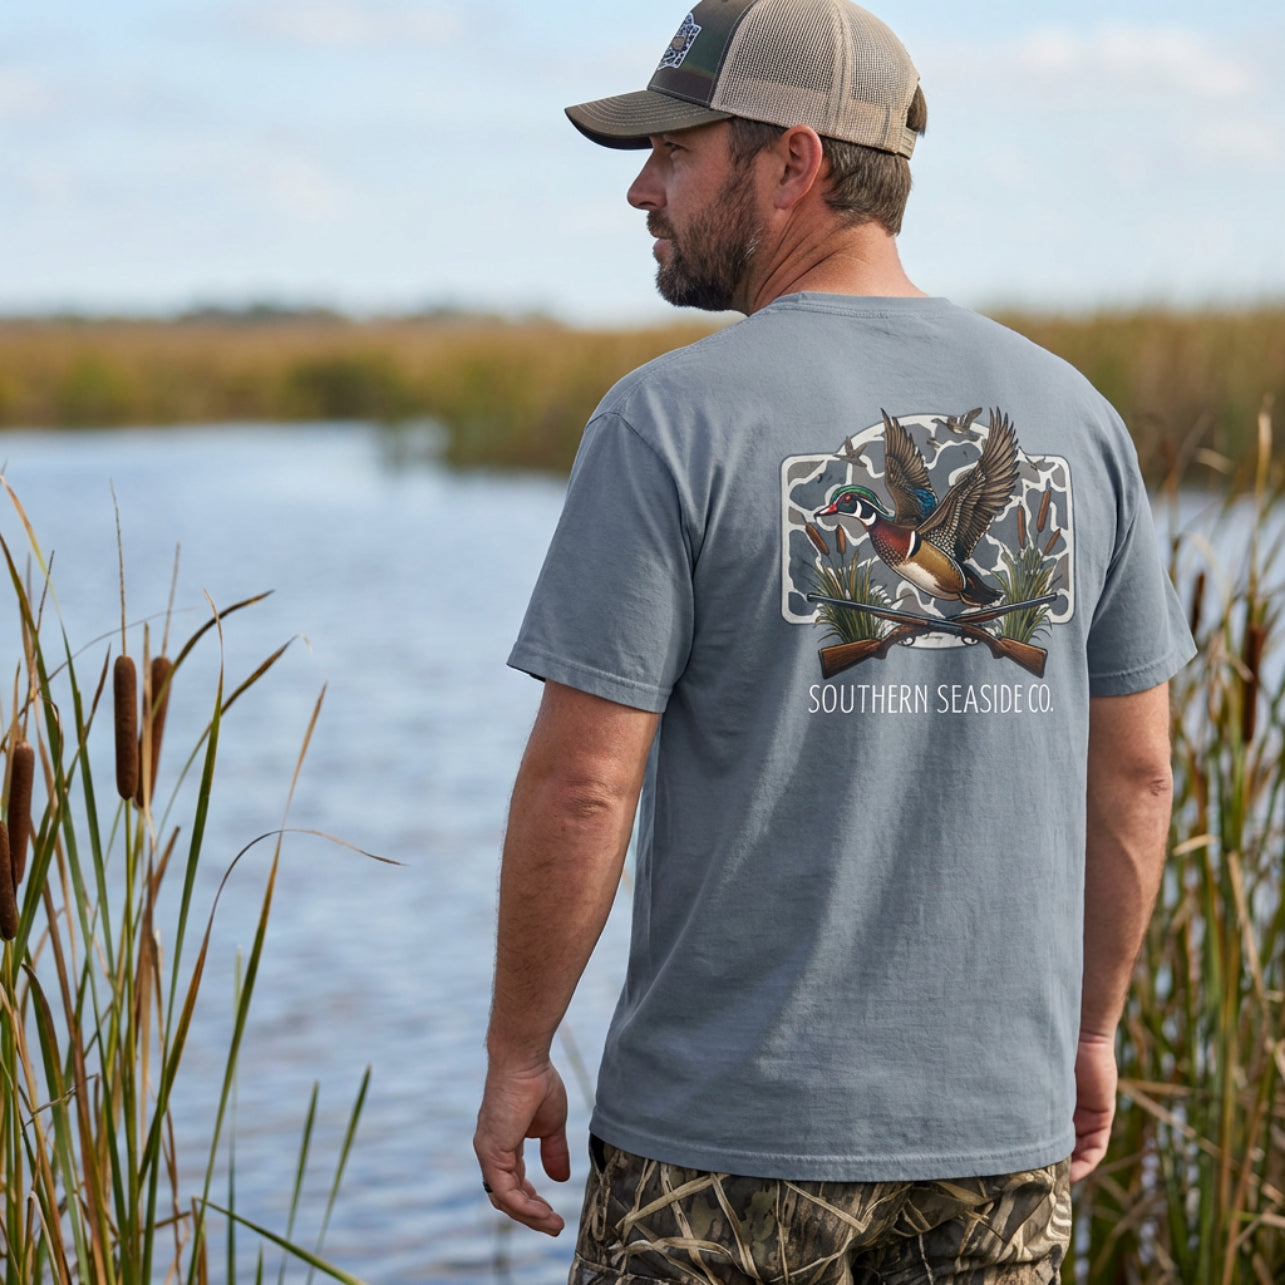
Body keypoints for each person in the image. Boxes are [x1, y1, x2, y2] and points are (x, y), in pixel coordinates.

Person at [474, 0, 1195, 1279]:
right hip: (997, 1140)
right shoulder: (1076, 418)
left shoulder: (666, 422)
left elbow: (587, 782)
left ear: (793, 163)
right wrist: (1090, 1030)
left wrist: (519, 1053)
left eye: (676, 153)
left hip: (725, 1141)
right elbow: (1136, 773)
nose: (642, 188)